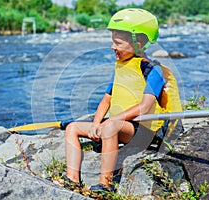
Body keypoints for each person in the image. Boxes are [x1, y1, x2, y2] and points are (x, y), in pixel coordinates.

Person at [54, 8, 175, 193]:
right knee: (72, 128)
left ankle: (106, 184)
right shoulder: (120, 68)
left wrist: (113, 120)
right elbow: (106, 99)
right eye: (113, 41)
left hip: (145, 131)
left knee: (110, 127)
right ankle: (72, 179)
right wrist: (96, 123)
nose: (113, 47)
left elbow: (145, 106)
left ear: (139, 42)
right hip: (121, 125)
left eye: (118, 42)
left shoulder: (153, 71)